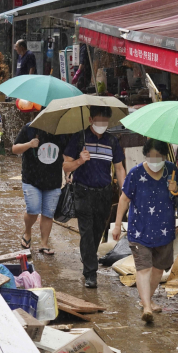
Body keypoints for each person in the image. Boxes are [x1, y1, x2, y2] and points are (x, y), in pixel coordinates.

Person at [112, 139, 178, 323]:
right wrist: (118, 224)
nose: (155, 160)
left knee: (159, 270)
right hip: (139, 230)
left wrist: (176, 191)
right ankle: (147, 307)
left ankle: (146, 300)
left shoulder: (172, 171)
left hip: (165, 230)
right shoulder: (135, 173)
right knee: (144, 269)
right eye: (151, 156)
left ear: (165, 156)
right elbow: (124, 199)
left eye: (158, 156)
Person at [63, 106, 126, 288]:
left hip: (104, 193)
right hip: (82, 192)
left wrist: (125, 193)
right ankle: (90, 273)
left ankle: (88, 258)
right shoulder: (79, 138)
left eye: (105, 121)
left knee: (97, 231)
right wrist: (79, 161)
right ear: (90, 120)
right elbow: (66, 166)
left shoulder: (112, 141)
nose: (102, 125)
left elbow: (120, 168)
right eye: (98, 121)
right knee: (86, 232)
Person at [12, 123, 69, 255]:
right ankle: (27, 231)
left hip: (53, 181)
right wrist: (29, 144)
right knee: (33, 209)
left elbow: (66, 155)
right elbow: (15, 149)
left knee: (48, 213)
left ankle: (44, 244)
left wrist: (68, 174)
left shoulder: (61, 132)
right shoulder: (29, 128)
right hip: (31, 179)